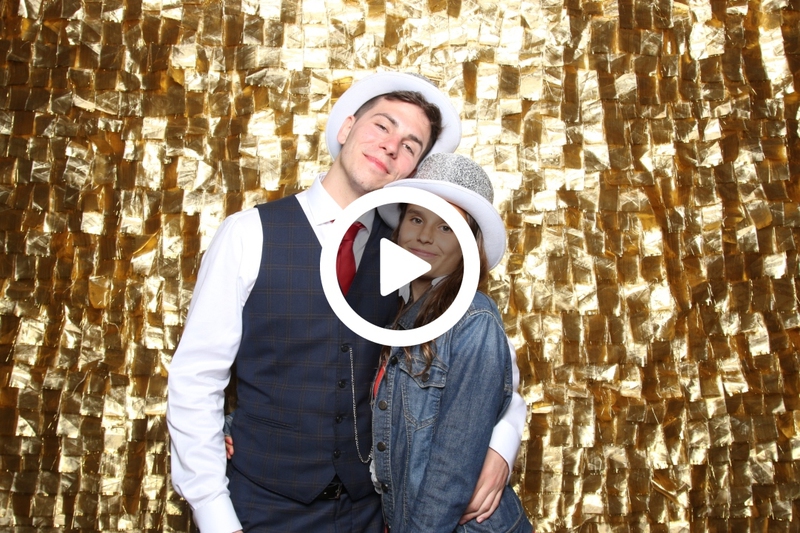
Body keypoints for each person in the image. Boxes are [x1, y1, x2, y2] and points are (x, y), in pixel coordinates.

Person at [166, 71, 526, 533]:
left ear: (411, 172)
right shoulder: (249, 234)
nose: (392, 146)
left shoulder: (408, 251)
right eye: (382, 125)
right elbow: (196, 378)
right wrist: (215, 513)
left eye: (410, 145)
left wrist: (500, 444)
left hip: (369, 513)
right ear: (346, 128)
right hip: (260, 509)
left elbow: (490, 366)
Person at [371, 152, 532, 532]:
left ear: (468, 246)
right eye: (416, 218)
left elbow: (450, 473)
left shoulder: (473, 318)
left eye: (447, 227)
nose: (425, 236)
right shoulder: (397, 316)